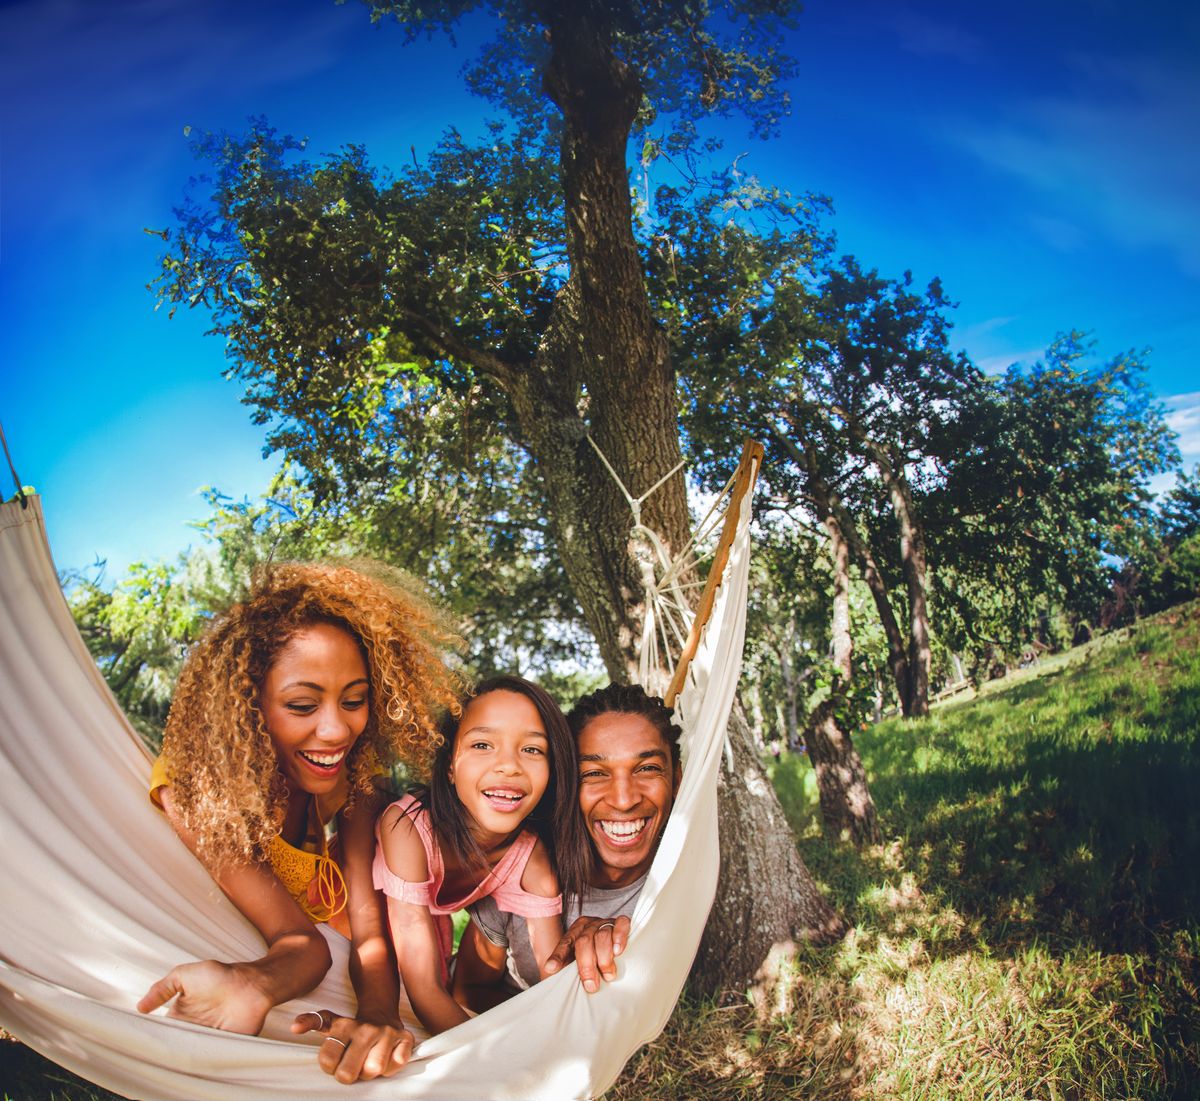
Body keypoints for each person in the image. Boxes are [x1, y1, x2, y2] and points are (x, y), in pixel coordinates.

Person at [138, 561, 458, 1084]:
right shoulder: (197, 789)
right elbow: (298, 941)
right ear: (249, 704)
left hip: (393, 941)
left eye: (354, 701)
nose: (336, 730)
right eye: (303, 705)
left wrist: (380, 1014)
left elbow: (369, 930)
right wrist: (251, 984)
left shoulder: (354, 781)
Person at [373, 675, 592, 1034]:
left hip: (428, 928)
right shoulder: (407, 828)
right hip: (350, 921)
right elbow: (423, 988)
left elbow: (554, 980)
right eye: (482, 745)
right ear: (450, 766)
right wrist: (487, 1061)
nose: (509, 765)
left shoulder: (532, 861)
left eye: (532, 750)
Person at [453, 683, 681, 1008]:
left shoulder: (684, 877)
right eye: (595, 773)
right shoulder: (523, 865)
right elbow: (468, 989)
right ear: (568, 785)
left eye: (647, 769)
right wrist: (555, 1018)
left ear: (677, 780)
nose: (624, 799)